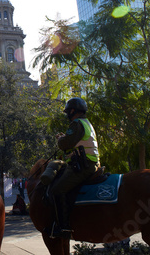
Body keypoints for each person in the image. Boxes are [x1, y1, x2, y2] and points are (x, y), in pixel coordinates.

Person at [47, 97, 100, 238]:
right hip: (91, 163)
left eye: (68, 112)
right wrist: (66, 138)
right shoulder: (86, 123)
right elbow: (74, 141)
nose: (67, 115)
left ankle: (63, 227)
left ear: (72, 111)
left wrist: (60, 139)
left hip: (84, 166)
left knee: (56, 190)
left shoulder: (76, 124)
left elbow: (65, 144)